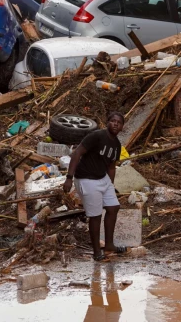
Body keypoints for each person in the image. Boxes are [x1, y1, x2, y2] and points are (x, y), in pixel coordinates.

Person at [63, 111, 126, 262]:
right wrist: (69, 178)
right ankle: (97, 251)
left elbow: (111, 167)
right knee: (95, 215)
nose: (116, 124)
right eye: (113, 121)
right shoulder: (97, 136)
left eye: (119, 122)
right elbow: (77, 153)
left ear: (122, 127)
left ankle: (109, 244)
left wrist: (110, 184)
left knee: (113, 208)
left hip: (102, 178)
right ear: (107, 122)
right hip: (86, 178)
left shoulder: (116, 145)